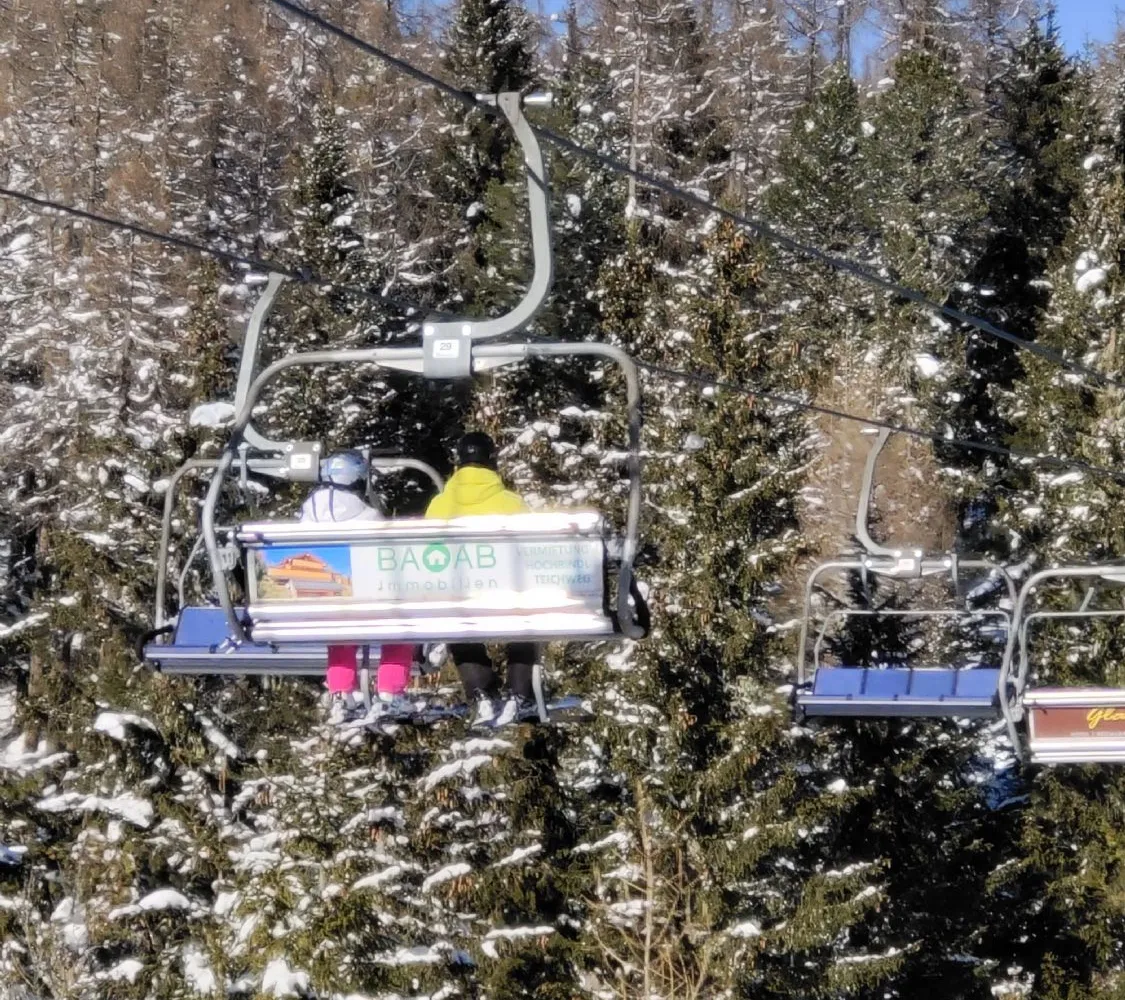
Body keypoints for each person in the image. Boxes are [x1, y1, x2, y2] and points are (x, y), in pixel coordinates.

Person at [425, 432, 538, 726]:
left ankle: (481, 692)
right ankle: (519, 693)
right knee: (527, 619)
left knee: (457, 621)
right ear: (492, 462)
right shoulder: (511, 503)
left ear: (458, 463)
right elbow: (533, 551)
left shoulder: (439, 506)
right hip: (507, 598)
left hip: (460, 600)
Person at [300, 450, 415, 721]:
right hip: (367, 601)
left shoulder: (307, 516)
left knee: (340, 628)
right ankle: (391, 690)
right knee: (402, 621)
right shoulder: (367, 517)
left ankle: (341, 691)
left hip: (316, 604)